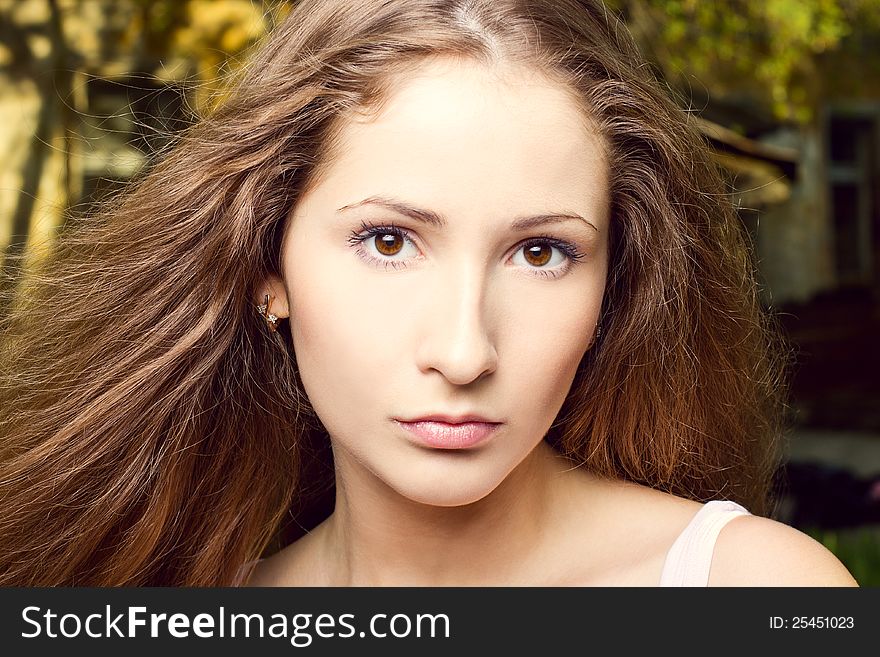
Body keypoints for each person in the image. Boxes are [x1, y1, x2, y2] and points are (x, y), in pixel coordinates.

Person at [0, 0, 858, 587]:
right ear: (267, 268)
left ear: (614, 285)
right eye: (388, 241)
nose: (463, 351)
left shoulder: (748, 591)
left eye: (541, 251)